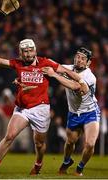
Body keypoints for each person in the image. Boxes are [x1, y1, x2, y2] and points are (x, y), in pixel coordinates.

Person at [0, 39, 85, 175]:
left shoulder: (46, 62)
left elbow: (65, 71)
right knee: (10, 135)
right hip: (22, 108)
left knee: (39, 144)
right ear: (21, 53)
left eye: (30, 51)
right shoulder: (18, 63)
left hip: (41, 109)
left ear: (35, 50)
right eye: (25, 51)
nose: (28, 54)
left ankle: (38, 163)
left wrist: (80, 80)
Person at [42, 47, 101, 176]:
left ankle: (80, 168)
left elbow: (78, 87)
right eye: (78, 57)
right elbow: (48, 63)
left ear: (88, 63)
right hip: (74, 113)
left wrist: (55, 74)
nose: (79, 60)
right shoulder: (67, 68)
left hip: (90, 112)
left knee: (90, 144)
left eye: (83, 58)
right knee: (70, 142)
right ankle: (67, 161)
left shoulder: (90, 77)